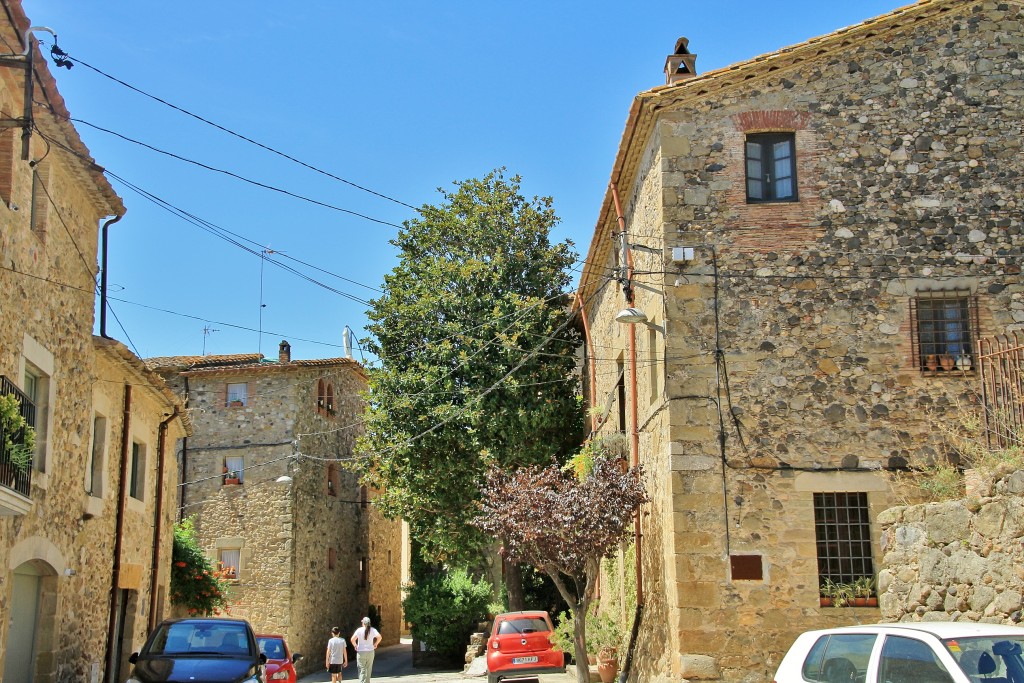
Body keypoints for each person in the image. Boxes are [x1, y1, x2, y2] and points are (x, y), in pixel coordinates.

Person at [350, 617, 382, 683]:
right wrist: (375, 644)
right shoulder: (373, 630)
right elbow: (379, 637)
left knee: (362, 669)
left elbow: (352, 639)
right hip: (370, 651)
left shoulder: (359, 630)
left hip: (361, 652)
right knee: (368, 669)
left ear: (363, 623)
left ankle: (361, 682)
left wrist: (355, 645)